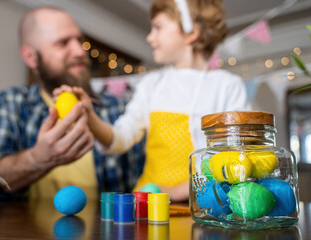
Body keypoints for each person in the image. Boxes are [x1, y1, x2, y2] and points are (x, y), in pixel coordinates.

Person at [54, 0, 249, 201]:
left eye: (158, 27)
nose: (149, 37)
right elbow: (121, 137)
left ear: (191, 32)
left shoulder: (227, 86)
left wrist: (175, 192)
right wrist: (89, 116)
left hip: (205, 202)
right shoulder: (151, 84)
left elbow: (234, 154)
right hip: (148, 200)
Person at [0, 6, 144, 199]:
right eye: (63, 43)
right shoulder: (10, 103)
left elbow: (140, 185)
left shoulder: (117, 109)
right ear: (31, 57)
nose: (80, 51)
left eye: (79, 41)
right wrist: (38, 158)